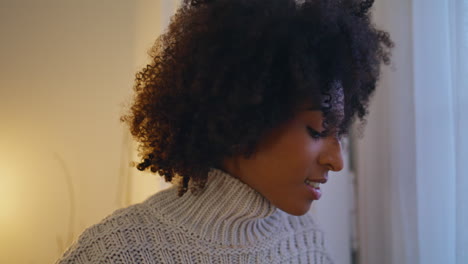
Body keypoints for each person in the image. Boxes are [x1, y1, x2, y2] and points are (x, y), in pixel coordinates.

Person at [56, 0, 393, 263]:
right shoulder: (119, 252)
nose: (336, 160)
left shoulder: (304, 240)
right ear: (244, 113)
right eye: (318, 130)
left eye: (339, 133)